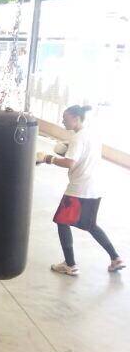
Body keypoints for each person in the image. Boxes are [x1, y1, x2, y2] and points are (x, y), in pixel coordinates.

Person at [36, 105, 124, 275]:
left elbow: (70, 163)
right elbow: (82, 155)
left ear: (76, 118)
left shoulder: (78, 138)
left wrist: (48, 158)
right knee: (91, 225)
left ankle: (70, 264)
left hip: (78, 189)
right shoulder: (92, 135)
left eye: (65, 117)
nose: (63, 120)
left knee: (62, 221)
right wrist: (68, 148)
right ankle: (115, 258)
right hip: (95, 188)